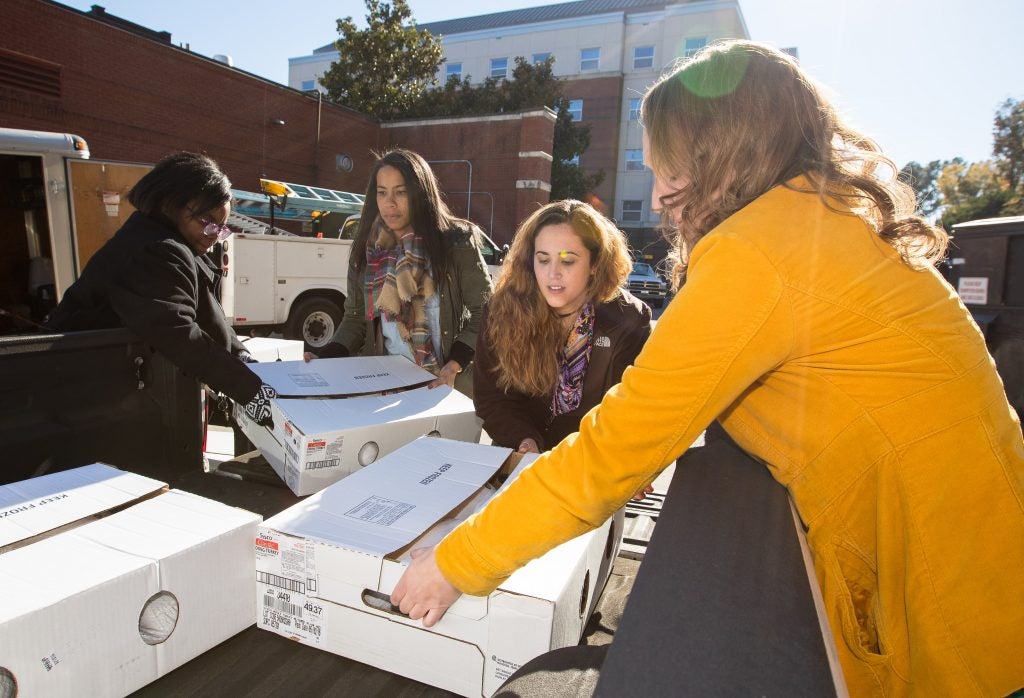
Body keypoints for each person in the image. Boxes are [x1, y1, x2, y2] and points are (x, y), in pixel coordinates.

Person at [390, 41, 1024, 696]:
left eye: (672, 167)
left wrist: (455, 563)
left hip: (946, 605)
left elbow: (611, 453)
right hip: (979, 576)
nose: (660, 192)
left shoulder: (760, 251)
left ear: (734, 148)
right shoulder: (818, 220)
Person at [46, 152, 275, 426]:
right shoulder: (155, 250)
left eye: (222, 227)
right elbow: (178, 332)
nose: (215, 234)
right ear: (170, 204)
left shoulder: (178, 243)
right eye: (207, 221)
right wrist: (249, 390)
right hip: (88, 393)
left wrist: (241, 355)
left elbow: (207, 313)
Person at [306, 149, 491, 398]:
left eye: (400, 192)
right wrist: (325, 355)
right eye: (382, 192)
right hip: (388, 388)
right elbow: (355, 319)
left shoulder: (456, 242)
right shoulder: (367, 251)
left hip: (448, 387)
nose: (389, 203)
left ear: (420, 194)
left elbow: (487, 312)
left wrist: (455, 364)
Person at [473, 199, 651, 456]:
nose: (552, 273)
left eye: (568, 261)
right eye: (543, 259)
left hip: (593, 466)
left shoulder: (629, 319)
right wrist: (523, 439)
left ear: (595, 263)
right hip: (520, 463)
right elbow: (492, 398)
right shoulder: (502, 311)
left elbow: (632, 412)